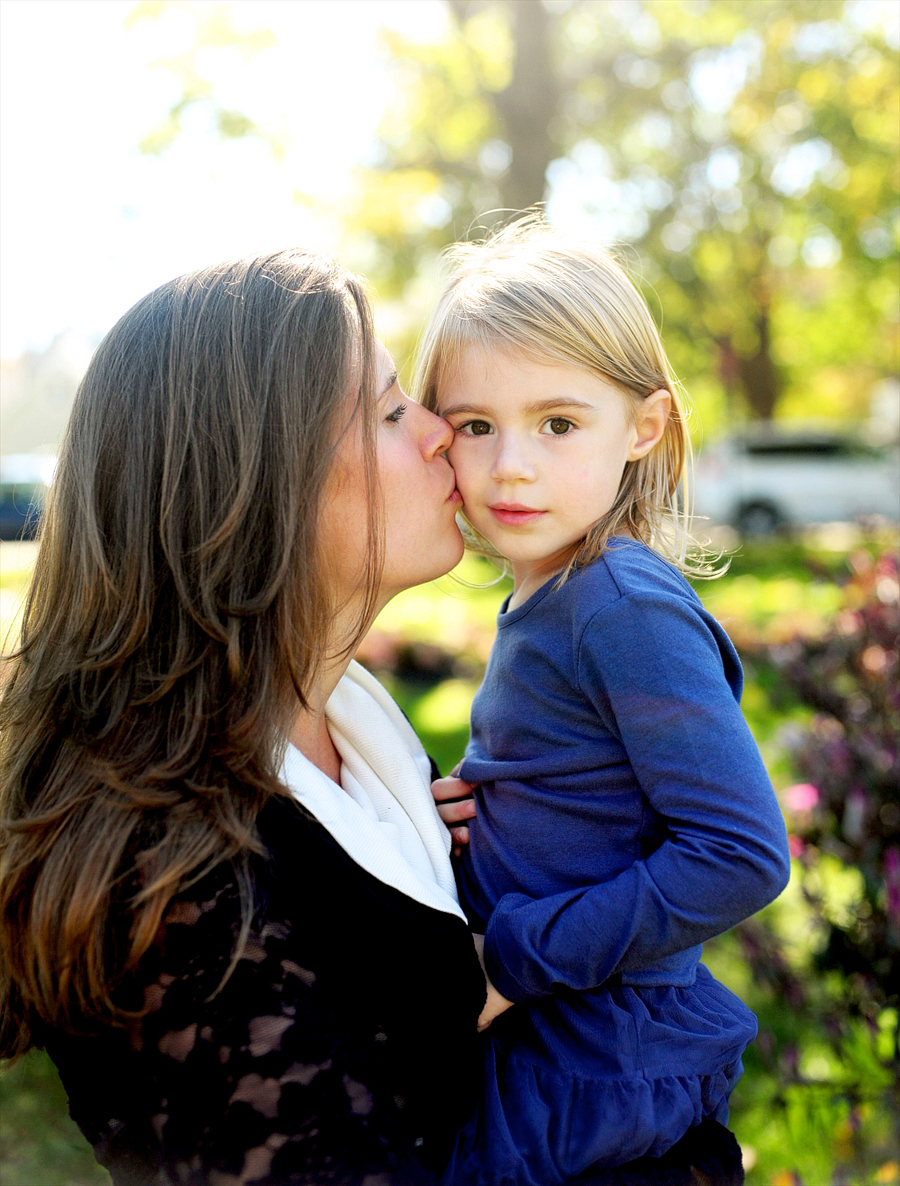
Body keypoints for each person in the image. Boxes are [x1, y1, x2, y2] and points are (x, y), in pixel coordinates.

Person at [0, 249, 488, 1185]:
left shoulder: (359, 742)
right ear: (267, 482)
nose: (441, 432)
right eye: (390, 411)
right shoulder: (171, 882)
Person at [418, 218, 792, 1185]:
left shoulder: (618, 604)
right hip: (560, 1031)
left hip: (597, 1052)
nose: (511, 466)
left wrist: (510, 959)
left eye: (557, 423)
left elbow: (739, 854)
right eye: (474, 426)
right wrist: (490, 810)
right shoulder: (551, 593)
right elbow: (592, 785)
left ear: (644, 427)